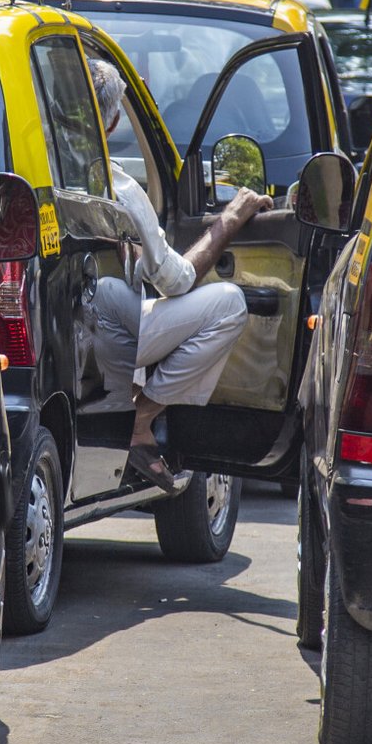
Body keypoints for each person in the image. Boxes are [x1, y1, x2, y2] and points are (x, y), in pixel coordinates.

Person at [87, 59, 271, 496]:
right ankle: (140, 421)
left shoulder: (29, 167)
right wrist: (230, 219)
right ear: (112, 123)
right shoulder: (121, 190)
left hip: (66, 325)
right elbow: (177, 280)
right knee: (228, 303)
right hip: (100, 326)